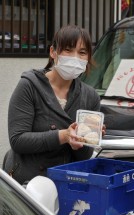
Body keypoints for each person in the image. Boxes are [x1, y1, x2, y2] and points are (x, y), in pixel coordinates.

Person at [3, 25, 105, 185]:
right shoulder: (29, 85)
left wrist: (88, 138)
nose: (75, 58)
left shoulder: (90, 96)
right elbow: (17, 140)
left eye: (82, 52)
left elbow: (84, 156)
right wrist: (63, 136)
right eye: (68, 50)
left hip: (64, 184)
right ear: (53, 52)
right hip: (26, 183)